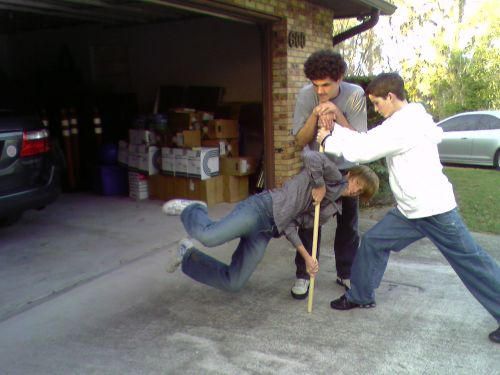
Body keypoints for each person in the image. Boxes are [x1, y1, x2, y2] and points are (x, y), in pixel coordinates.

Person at [316, 72, 500, 344]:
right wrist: (335, 132)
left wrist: (327, 141)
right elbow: (367, 138)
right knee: (373, 242)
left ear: (391, 97)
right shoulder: (400, 121)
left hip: (434, 210)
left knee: (471, 262)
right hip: (410, 210)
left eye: (378, 103)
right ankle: (360, 295)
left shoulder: (406, 125)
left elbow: (365, 151)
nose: (377, 109)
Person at [162, 151, 379, 293]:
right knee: (210, 236)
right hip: (260, 209)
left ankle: (186, 256)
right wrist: (320, 185)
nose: (354, 190)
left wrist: (308, 259)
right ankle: (194, 209)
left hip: (268, 230)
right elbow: (310, 156)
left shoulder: (330, 210)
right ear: (350, 174)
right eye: (356, 183)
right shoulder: (331, 175)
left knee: (234, 282)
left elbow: (292, 226)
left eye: (359, 191)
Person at [291, 50, 368, 298]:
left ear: (340, 78)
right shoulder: (306, 96)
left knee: (348, 224)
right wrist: (315, 116)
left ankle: (345, 272)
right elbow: (299, 141)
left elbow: (359, 139)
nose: (320, 91)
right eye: (316, 85)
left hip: (345, 168)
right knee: (309, 221)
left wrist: (337, 113)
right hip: (317, 168)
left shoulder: (355, 94)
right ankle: (304, 274)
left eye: (326, 85)